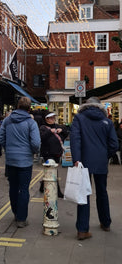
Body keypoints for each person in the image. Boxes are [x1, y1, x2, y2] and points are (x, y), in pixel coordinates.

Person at [70, 96, 119, 240]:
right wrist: (105, 155)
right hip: (101, 162)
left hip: (83, 162)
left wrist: (77, 160)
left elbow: (75, 140)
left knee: (84, 194)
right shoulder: (108, 122)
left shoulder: (79, 118)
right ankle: (105, 223)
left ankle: (82, 230)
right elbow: (114, 145)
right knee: (102, 192)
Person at [0, 96, 41, 228]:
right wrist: (33, 151)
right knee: (23, 189)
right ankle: (21, 219)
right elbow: (36, 143)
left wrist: (8, 148)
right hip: (25, 161)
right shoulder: (31, 123)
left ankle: (15, 213)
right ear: (29, 108)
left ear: (17, 106)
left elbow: (0, 137)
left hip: (10, 160)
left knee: (13, 188)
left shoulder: (7, 120)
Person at [39, 112, 68, 197]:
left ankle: (42, 186)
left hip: (57, 153)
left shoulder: (58, 126)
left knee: (49, 171)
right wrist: (49, 132)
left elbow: (66, 134)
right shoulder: (43, 127)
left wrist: (62, 130)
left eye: (53, 118)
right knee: (54, 172)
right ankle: (58, 192)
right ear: (46, 119)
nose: (52, 119)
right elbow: (41, 138)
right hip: (48, 153)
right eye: (50, 118)